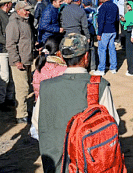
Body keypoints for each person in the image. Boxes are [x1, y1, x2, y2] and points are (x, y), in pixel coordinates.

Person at [36, 33, 119, 173]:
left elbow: (37, 126)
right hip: (88, 163)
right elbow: (113, 124)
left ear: (62, 57)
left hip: (54, 164)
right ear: (86, 57)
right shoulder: (99, 85)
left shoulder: (45, 87)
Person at [6, 0, 35, 124]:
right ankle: (21, 115)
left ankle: (23, 110)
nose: (28, 12)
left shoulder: (25, 21)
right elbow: (10, 45)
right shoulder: (14, 24)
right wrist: (17, 61)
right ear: (18, 11)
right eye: (26, 10)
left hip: (27, 59)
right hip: (20, 62)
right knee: (22, 88)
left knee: (26, 87)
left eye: (29, 9)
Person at [94, 0, 119, 75]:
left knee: (102, 50)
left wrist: (99, 33)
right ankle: (113, 67)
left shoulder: (103, 7)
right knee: (112, 49)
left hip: (105, 31)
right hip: (113, 30)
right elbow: (117, 20)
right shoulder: (115, 6)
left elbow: (101, 21)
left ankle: (101, 69)